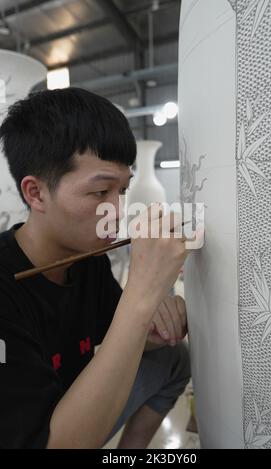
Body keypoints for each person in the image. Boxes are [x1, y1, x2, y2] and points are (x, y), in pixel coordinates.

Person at [0, 88, 192, 449]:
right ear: (36, 194)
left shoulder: (88, 262)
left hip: (73, 399)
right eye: (101, 192)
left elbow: (124, 336)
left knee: (174, 359)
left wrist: (156, 322)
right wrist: (142, 294)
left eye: (122, 190)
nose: (117, 212)